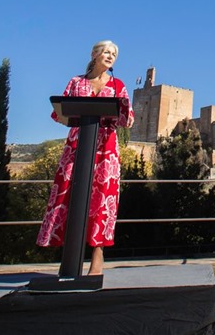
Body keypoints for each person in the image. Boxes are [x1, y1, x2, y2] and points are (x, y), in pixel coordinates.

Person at [37, 40, 134, 276]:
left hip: (106, 150)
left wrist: (123, 113)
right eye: (107, 52)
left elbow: (127, 119)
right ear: (94, 54)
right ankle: (69, 257)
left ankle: (97, 255)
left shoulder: (118, 85)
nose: (111, 56)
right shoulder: (76, 82)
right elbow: (58, 113)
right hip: (77, 146)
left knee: (102, 200)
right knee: (68, 194)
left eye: (114, 54)